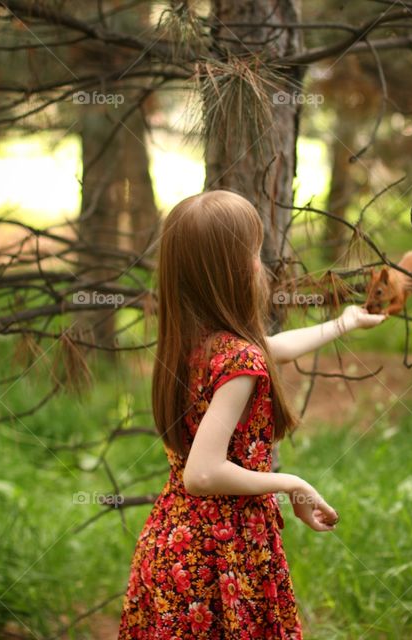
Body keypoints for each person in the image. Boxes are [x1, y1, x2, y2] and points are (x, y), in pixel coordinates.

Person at [117, 190, 385, 639]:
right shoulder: (240, 360)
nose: (260, 265)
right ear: (232, 271)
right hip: (219, 555)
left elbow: (272, 348)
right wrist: (292, 483)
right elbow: (203, 474)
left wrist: (346, 322)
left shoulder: (192, 341)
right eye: (254, 253)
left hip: (173, 543)